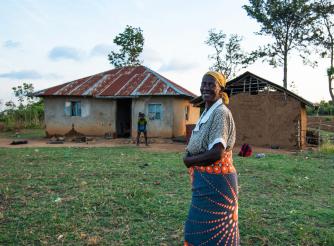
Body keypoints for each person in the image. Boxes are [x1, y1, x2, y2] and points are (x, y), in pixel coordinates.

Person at [183, 71, 238, 245]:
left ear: (220, 88)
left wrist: (189, 160)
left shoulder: (220, 113)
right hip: (207, 180)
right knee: (200, 229)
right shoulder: (208, 110)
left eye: (211, 84)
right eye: (203, 83)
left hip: (217, 183)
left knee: (211, 231)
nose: (205, 87)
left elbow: (217, 152)